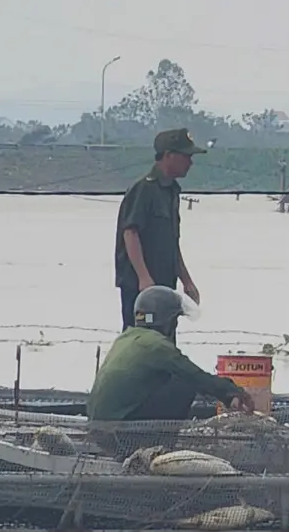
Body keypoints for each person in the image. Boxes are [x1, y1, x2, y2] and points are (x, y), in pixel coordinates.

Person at [87, 286, 250, 454]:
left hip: (98, 430)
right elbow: (195, 376)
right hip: (120, 435)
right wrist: (232, 392)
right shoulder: (157, 345)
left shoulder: (125, 338)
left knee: (170, 380)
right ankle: (158, 449)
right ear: (168, 321)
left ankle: (149, 444)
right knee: (183, 385)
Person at [113, 129, 208, 341]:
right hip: (140, 288)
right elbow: (130, 233)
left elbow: (172, 243)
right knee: (139, 343)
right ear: (168, 156)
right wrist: (144, 278)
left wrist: (187, 280)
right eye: (186, 157)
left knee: (164, 343)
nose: (190, 163)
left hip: (165, 287)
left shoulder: (172, 191)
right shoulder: (144, 189)